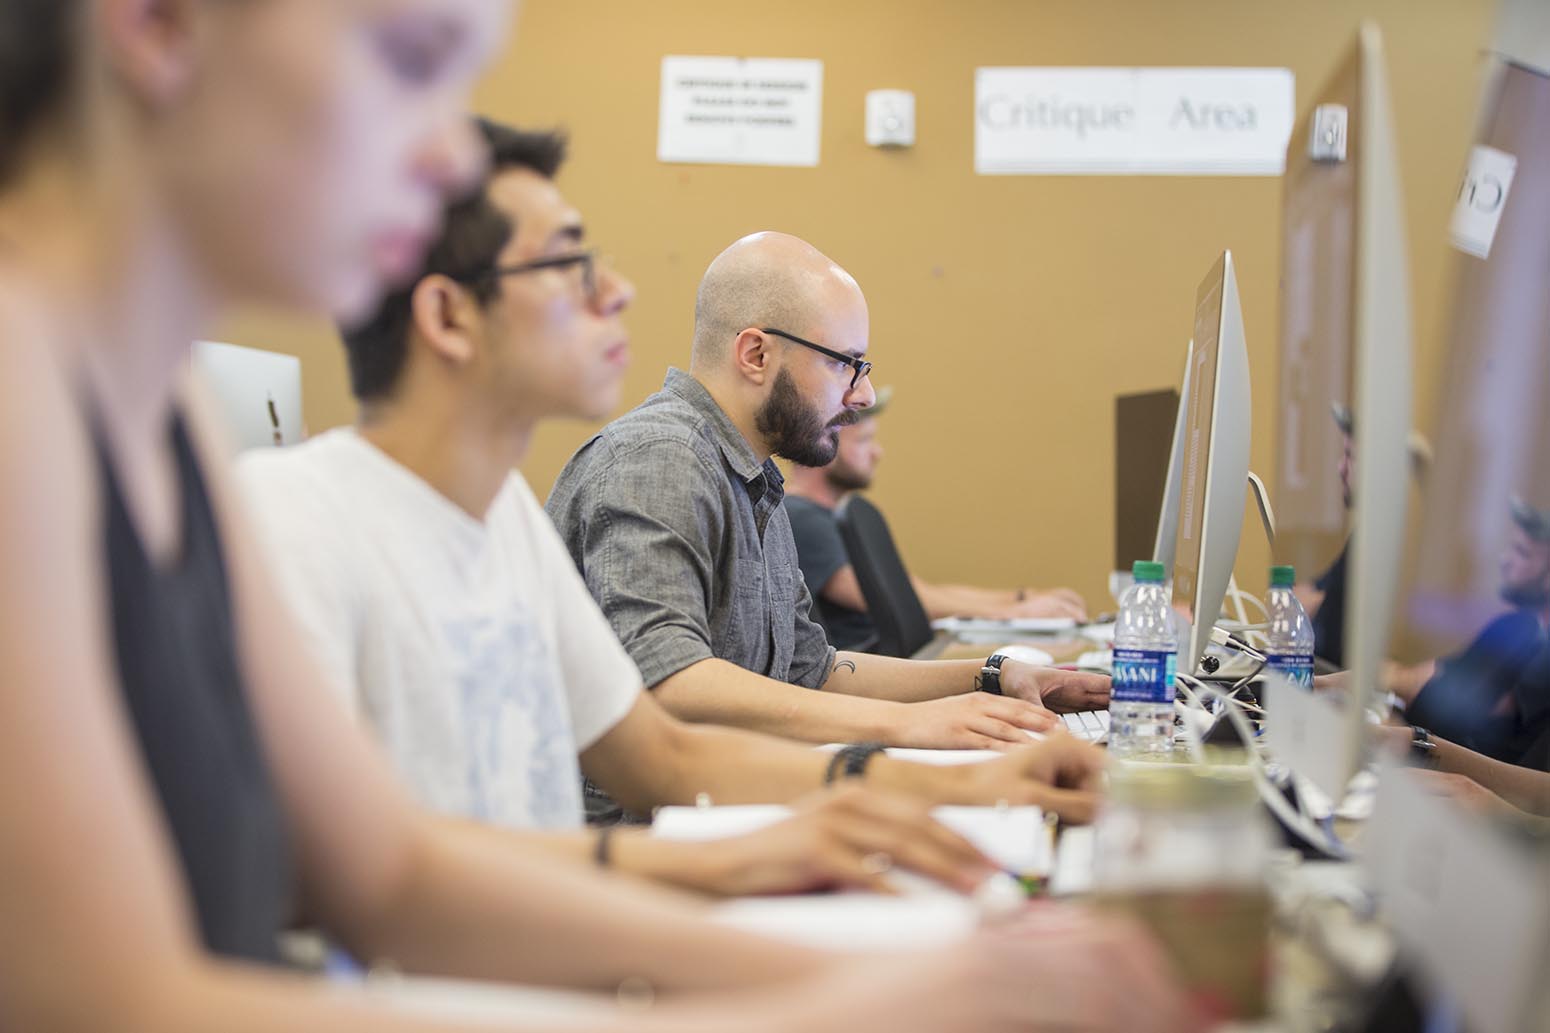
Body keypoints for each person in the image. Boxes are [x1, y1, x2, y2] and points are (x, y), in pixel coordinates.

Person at [0, 3, 1199, 1032]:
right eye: (410, 59)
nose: (439, 159)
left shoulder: (168, 436)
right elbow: (118, 1000)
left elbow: (394, 868)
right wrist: (832, 992)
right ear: (155, 24)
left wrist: (871, 949)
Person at [239, 121, 1106, 903]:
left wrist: (952, 759)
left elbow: (666, 750)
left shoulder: (500, 517)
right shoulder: (292, 524)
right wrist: (908, 753)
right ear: (446, 313)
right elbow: (390, 891)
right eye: (569, 265)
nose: (616, 290)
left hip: (581, 905)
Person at [546, 231, 1112, 753]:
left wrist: (993, 676)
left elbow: (813, 670)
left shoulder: (754, 479)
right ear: (756, 355)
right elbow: (668, 681)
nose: (862, 395)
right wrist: (910, 725)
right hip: (641, 835)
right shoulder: (659, 461)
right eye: (846, 364)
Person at [784, 392, 1088, 651]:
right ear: (825, 441)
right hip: (868, 675)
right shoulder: (802, 517)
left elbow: (918, 590)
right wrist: (1014, 612)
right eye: (865, 441)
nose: (878, 452)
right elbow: (897, 601)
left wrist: (1018, 599)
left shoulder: (828, 516)